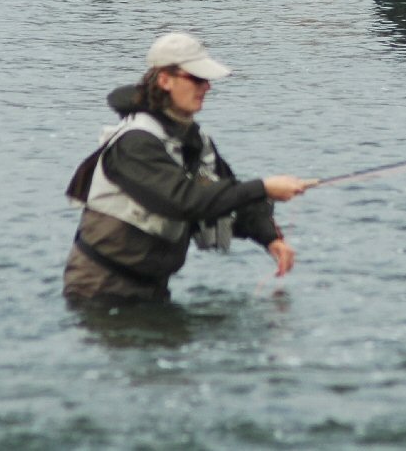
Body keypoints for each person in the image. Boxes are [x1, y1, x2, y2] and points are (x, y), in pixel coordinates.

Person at [63, 32, 311, 304]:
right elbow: (184, 201)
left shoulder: (194, 141)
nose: (206, 87)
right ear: (165, 80)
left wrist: (270, 238)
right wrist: (264, 187)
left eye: (207, 80)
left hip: (155, 288)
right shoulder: (134, 144)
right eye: (196, 79)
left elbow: (226, 192)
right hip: (99, 288)